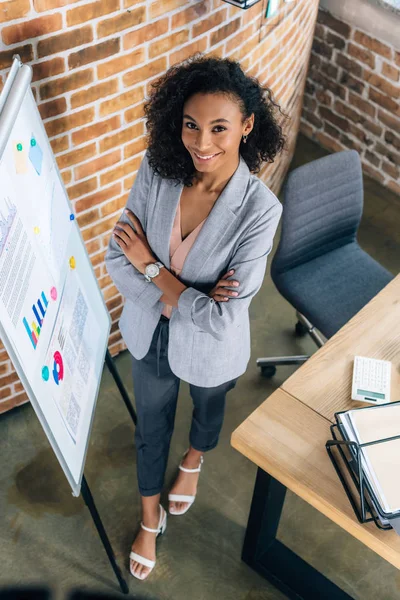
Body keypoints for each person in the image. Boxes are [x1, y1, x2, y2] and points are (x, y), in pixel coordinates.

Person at [105, 54, 284, 581]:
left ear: (247, 127)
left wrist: (153, 268)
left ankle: (194, 461)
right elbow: (117, 257)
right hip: (148, 330)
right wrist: (190, 295)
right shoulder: (157, 171)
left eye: (219, 128)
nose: (201, 142)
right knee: (149, 427)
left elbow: (224, 321)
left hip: (210, 349)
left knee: (208, 406)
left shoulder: (260, 211)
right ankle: (147, 517)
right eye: (190, 125)